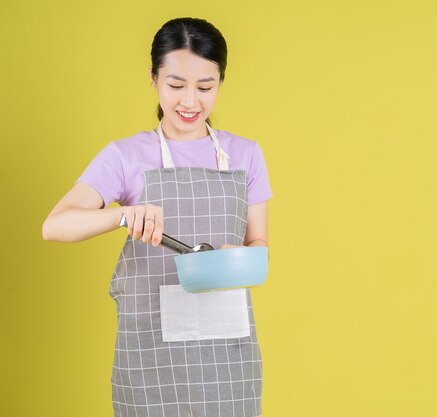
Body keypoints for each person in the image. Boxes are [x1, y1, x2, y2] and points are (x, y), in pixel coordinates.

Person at [42, 17, 271, 417]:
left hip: (227, 353)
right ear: (153, 78)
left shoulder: (246, 155)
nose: (190, 101)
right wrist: (123, 215)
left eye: (205, 87)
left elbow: (259, 246)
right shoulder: (125, 156)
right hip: (148, 350)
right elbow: (55, 226)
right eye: (176, 85)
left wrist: (237, 258)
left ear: (221, 81)